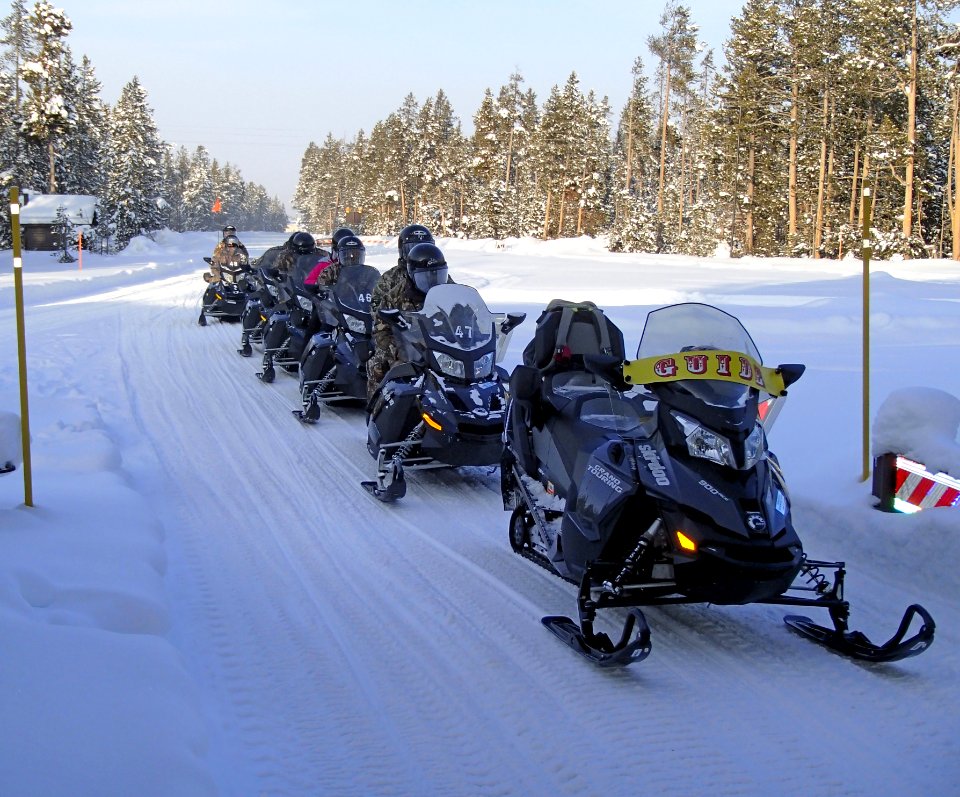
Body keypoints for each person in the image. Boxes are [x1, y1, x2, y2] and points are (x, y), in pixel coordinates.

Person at [366, 241, 452, 399]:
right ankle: (378, 408)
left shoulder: (451, 291)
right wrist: (398, 350)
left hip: (445, 348)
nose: (432, 280)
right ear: (411, 275)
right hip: (409, 349)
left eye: (438, 274)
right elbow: (381, 330)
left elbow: (466, 316)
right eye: (424, 277)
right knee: (377, 364)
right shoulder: (395, 296)